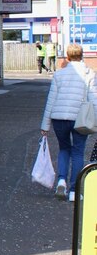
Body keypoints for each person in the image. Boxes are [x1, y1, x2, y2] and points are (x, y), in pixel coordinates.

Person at [40, 43, 97, 202]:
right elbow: (94, 99)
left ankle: (61, 181)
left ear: (68, 56)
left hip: (59, 118)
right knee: (78, 152)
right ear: (82, 55)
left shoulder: (59, 74)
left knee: (64, 149)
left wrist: (45, 126)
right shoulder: (89, 73)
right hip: (80, 118)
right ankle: (74, 191)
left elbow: (50, 101)